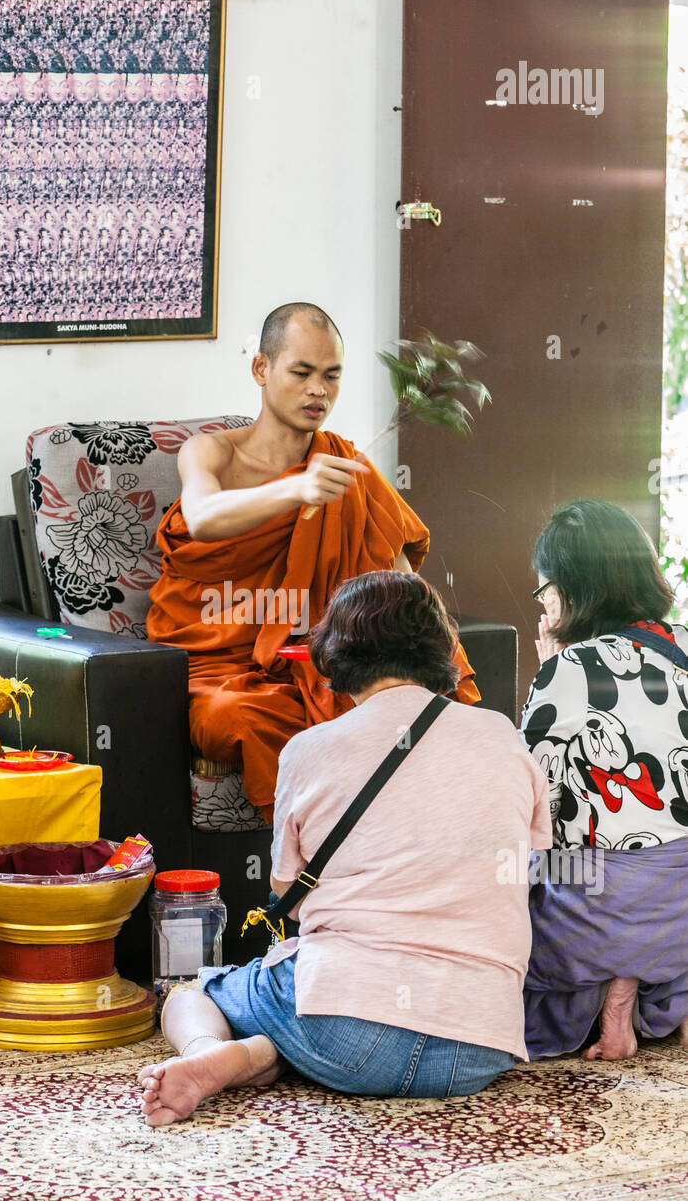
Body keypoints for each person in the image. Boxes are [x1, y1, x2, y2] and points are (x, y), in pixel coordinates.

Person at [138, 570, 550, 1125]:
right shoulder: (503, 735)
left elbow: (288, 893)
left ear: (334, 656)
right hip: (479, 1046)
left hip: (345, 1030)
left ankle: (211, 1054)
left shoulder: (310, 748)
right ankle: (266, 1051)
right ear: (441, 648)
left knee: (192, 994)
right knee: (311, 1021)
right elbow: (527, 868)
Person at [146, 302, 480, 821]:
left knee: (395, 700)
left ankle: (395, 844)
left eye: (331, 376)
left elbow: (400, 585)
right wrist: (296, 490)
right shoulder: (213, 452)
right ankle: (325, 843)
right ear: (262, 369)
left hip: (323, 661)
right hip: (220, 668)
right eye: (301, 373)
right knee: (224, 715)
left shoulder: (345, 465)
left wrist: (422, 656)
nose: (317, 391)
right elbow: (205, 516)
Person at [520, 500, 688, 1060]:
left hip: (607, 897)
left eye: (544, 587)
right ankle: (646, 987)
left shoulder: (568, 669)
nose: (543, 601)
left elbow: (530, 803)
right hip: (680, 900)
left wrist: (552, 672)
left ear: (570, 588)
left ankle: (608, 984)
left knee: (513, 865)